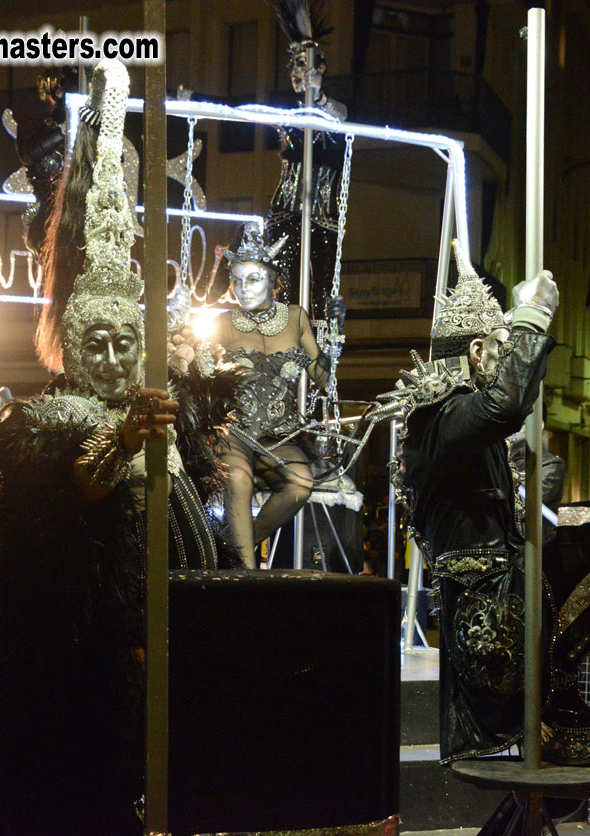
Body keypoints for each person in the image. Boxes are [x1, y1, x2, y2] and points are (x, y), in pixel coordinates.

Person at [0, 60, 235, 836]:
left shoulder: (165, 415)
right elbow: (80, 490)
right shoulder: (58, 421)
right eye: (99, 344)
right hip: (92, 679)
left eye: (125, 344)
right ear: (75, 345)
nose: (114, 359)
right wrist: (123, 438)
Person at [381, 246, 590, 766]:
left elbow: (538, 471)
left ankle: (556, 675)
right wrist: (532, 314)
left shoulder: (468, 426)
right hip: (492, 609)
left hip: (519, 578)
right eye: (501, 348)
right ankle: (548, 687)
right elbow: (507, 404)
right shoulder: (441, 417)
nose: (507, 359)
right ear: (478, 352)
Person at [216, 221, 346, 566]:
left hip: (279, 433)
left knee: (300, 484)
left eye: (254, 279)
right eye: (237, 280)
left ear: (273, 283)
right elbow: (198, 374)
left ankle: (229, 549)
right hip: (235, 432)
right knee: (239, 481)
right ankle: (244, 576)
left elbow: (322, 378)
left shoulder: (295, 318)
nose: (243, 288)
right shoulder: (222, 323)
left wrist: (336, 338)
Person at [263, 2, 347, 321]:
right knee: (287, 290)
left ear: (320, 67)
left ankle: (319, 357)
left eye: (301, 63)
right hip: (286, 213)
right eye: (292, 66)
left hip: (324, 214)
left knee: (323, 293)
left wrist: (318, 96)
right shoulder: (288, 114)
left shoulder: (335, 111)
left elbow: (341, 117)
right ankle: (288, 353)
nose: (295, 72)